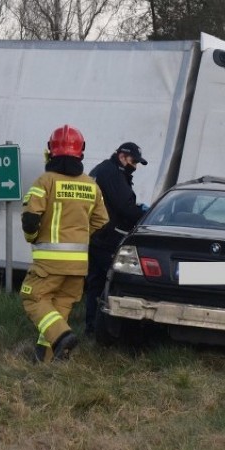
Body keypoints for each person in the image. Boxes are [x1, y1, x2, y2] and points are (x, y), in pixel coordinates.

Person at [20, 124, 109, 363]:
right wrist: (79, 236)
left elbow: (30, 219)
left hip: (49, 263)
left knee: (33, 298)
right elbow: (102, 223)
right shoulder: (91, 184)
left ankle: (62, 337)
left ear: (51, 151)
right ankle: (46, 360)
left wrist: (33, 239)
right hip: (78, 266)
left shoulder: (46, 181)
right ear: (81, 153)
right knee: (59, 308)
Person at [84, 142, 149, 337]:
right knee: (111, 283)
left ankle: (92, 327)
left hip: (97, 236)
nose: (135, 167)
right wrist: (146, 215)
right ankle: (106, 329)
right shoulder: (111, 173)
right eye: (133, 161)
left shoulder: (104, 169)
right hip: (107, 238)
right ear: (122, 157)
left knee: (95, 283)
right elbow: (124, 208)